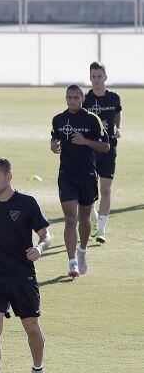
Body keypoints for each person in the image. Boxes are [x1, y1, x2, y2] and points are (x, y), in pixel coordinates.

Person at [0, 157, 51, 373]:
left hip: (22, 275)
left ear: (9, 176)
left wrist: (39, 248)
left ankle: (37, 371)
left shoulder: (28, 203)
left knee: (31, 328)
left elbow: (46, 235)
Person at [50, 85, 109, 277]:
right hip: (66, 175)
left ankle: (82, 251)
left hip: (87, 176)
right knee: (70, 219)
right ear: (65, 98)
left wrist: (85, 141)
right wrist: (53, 145)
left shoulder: (92, 119)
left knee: (84, 219)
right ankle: (72, 262)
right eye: (69, 97)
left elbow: (105, 146)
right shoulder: (58, 119)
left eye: (76, 97)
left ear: (82, 98)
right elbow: (55, 138)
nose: (72, 101)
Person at [83, 62, 122, 244]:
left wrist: (118, 128)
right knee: (90, 188)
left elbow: (116, 114)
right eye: (93, 76)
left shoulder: (114, 98)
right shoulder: (85, 100)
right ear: (90, 78)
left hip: (109, 148)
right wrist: (96, 127)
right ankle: (92, 213)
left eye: (99, 76)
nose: (96, 80)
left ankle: (101, 229)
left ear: (105, 77)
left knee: (105, 188)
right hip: (90, 150)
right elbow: (80, 123)